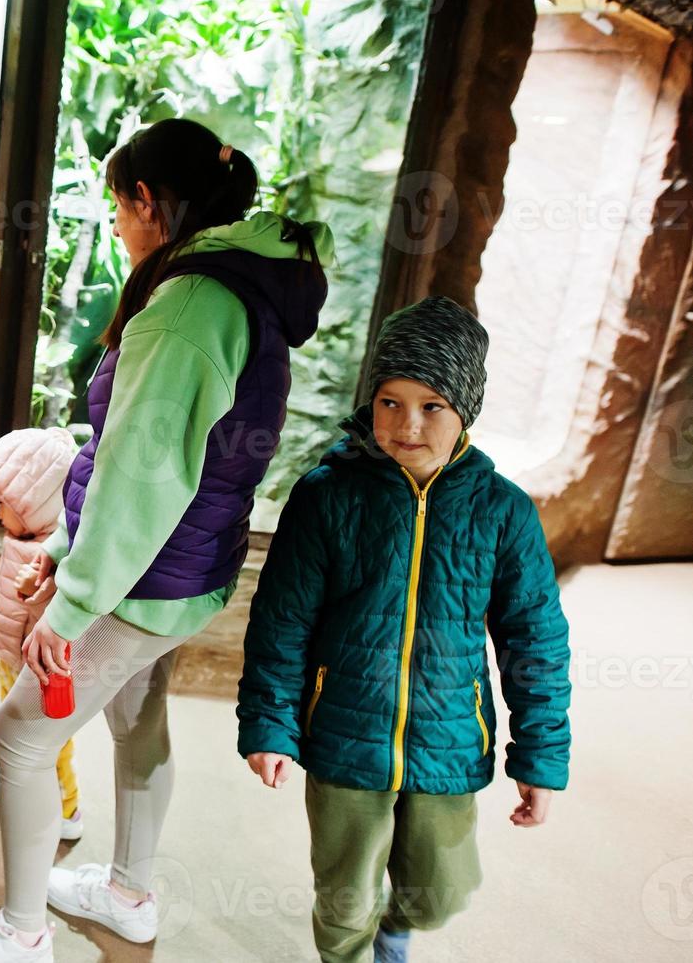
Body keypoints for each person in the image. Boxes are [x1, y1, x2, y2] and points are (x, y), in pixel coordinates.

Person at [0, 117, 333, 963]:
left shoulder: (186, 305)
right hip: (189, 567)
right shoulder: (240, 284)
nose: (114, 224)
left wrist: (70, 607)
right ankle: (127, 893)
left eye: (117, 206)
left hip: (150, 576)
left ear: (149, 200)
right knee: (137, 718)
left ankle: (21, 932)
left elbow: (140, 479)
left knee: (20, 735)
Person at [237, 296, 572, 963]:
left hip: (447, 736)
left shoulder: (502, 511)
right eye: (389, 401)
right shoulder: (327, 494)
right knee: (343, 897)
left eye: (430, 406)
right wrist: (269, 724)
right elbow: (282, 619)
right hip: (343, 733)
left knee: (439, 892)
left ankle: (397, 929)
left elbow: (534, 640)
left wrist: (539, 755)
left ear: (463, 411)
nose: (405, 424)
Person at [0, 427, 83, 846]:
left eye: (2, 505)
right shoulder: (23, 536)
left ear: (36, 503)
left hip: (42, 670)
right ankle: (9, 775)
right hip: (10, 656)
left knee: (51, 740)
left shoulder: (58, 554)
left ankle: (67, 807)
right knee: (9, 723)